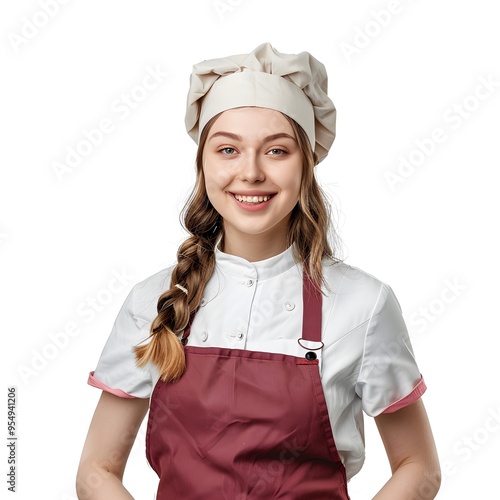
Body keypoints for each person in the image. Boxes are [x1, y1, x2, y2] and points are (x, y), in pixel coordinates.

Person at [76, 42, 441, 499]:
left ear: (306, 165)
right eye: (228, 149)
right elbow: (96, 470)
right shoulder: (153, 300)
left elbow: (419, 466)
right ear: (203, 163)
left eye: (276, 151)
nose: (249, 173)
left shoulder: (363, 306)